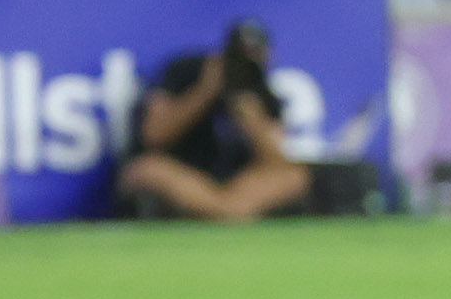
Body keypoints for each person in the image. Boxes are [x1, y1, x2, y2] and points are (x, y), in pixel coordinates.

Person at [117, 20, 310, 221]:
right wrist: (205, 91)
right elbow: (154, 135)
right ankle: (224, 211)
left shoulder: (258, 88)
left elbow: (276, 158)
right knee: (148, 168)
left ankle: (226, 210)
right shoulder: (186, 71)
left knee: (294, 176)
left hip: (232, 182)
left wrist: (249, 115)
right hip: (180, 170)